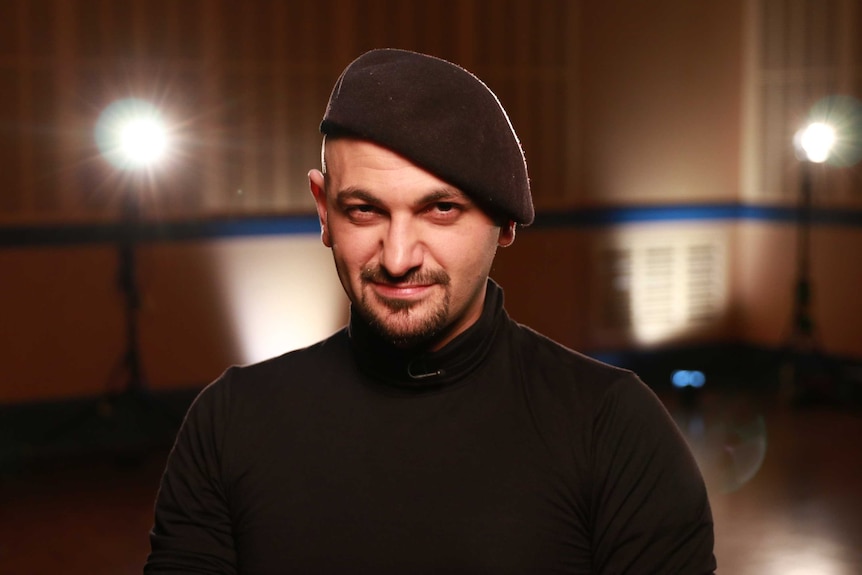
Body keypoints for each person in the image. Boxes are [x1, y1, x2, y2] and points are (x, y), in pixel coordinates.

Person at [145, 48, 716, 574]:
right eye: (364, 210)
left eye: (441, 209)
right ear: (323, 210)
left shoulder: (613, 429)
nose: (397, 259)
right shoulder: (230, 422)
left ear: (504, 219)